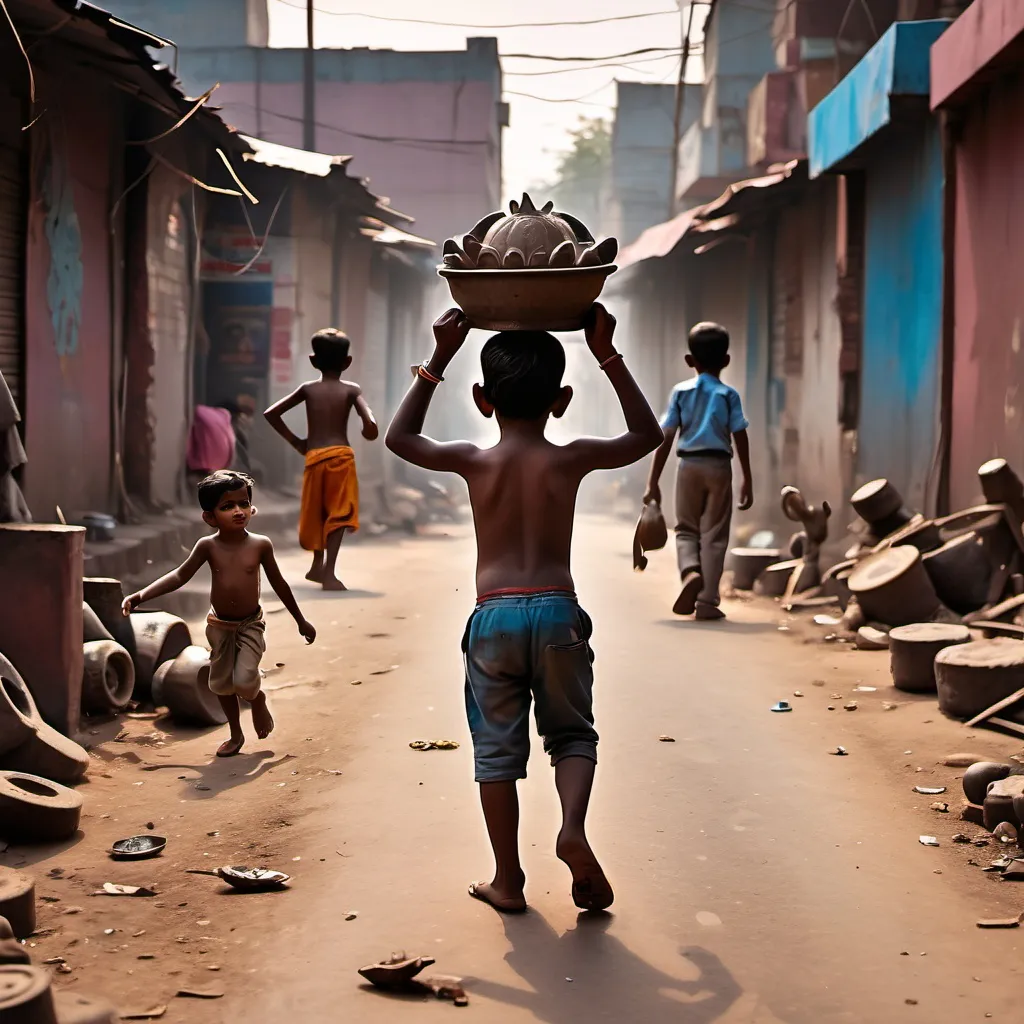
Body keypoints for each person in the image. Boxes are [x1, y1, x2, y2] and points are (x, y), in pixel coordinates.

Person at [386, 304, 662, 914]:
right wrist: (606, 352)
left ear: (483, 399)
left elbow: (399, 438)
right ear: (561, 400)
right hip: (559, 612)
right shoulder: (571, 457)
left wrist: (438, 358)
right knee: (571, 735)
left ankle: (508, 880)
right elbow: (647, 436)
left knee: (496, 754)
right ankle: (570, 828)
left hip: (495, 617)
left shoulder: (474, 460)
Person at [122, 471, 316, 757]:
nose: (238, 511)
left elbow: (279, 584)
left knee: (245, 679)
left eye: (243, 503)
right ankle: (236, 734)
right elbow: (179, 576)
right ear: (210, 517)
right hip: (219, 625)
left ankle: (257, 698)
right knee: (222, 684)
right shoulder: (208, 546)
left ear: (252, 507)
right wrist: (140, 596)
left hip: (250, 625)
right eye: (227, 507)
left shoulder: (261, 544)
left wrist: (301, 620)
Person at [643, 321, 754, 620]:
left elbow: (665, 436)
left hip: (688, 465)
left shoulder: (681, 392)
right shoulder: (728, 395)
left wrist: (652, 481)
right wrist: (747, 479)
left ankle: (690, 570)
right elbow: (740, 434)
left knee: (686, 529)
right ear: (726, 361)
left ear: (689, 361)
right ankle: (706, 601)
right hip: (719, 465)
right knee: (715, 534)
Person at [264, 329, 378, 590]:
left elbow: (271, 413)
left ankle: (317, 565)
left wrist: (297, 442)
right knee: (338, 513)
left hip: (314, 456)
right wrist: (369, 428)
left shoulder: (308, 389)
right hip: (341, 456)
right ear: (347, 362)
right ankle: (329, 572)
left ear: (313, 361)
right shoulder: (351, 390)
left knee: (317, 510)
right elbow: (369, 419)